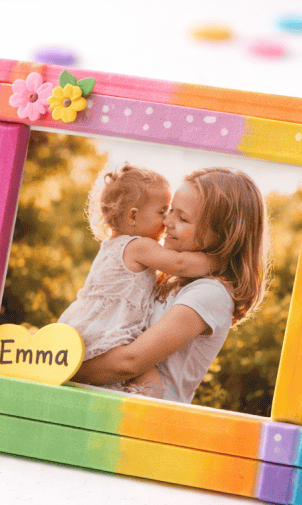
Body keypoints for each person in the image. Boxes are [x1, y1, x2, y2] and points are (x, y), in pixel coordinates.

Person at [75, 167, 269, 403]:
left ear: (224, 235)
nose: (167, 221)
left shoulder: (211, 293)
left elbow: (130, 362)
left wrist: (64, 367)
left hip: (148, 419)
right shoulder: (167, 279)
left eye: (182, 218)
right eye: (168, 211)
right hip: (109, 402)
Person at [58, 163, 216, 397]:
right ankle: (146, 418)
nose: (166, 221)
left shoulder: (111, 245)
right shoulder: (139, 246)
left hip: (87, 329)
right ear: (133, 216)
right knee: (146, 374)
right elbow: (180, 264)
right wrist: (218, 261)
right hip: (110, 331)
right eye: (162, 212)